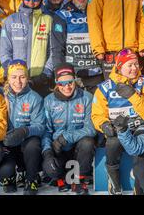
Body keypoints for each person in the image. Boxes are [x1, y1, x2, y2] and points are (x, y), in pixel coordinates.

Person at [91, 48, 144, 195]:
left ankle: (140, 186)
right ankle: (114, 181)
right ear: (119, 67)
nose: (134, 68)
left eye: (136, 64)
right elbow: (97, 114)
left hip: (140, 127)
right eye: (129, 65)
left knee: (142, 146)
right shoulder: (105, 88)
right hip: (118, 130)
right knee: (112, 143)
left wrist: (133, 96)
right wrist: (104, 125)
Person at [41, 63, 96, 195]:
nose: (67, 87)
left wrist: (66, 137)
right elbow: (46, 131)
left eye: (70, 82)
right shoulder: (48, 100)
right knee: (51, 167)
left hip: (77, 147)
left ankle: (78, 180)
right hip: (58, 148)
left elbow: (92, 128)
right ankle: (60, 177)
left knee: (88, 142)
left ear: (75, 81)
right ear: (56, 83)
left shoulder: (86, 97)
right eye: (62, 84)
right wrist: (47, 153)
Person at [0, 0, 54, 97]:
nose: (31, 3)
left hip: (40, 80)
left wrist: (46, 73)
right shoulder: (11, 20)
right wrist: (11, 72)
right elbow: (5, 50)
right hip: (16, 81)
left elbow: (53, 50)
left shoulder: (49, 19)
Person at [0, 60, 45, 195]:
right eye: (13, 77)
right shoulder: (3, 96)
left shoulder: (35, 98)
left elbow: (41, 126)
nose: (18, 82)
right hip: (7, 141)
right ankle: (10, 177)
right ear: (8, 78)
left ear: (27, 78)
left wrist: (25, 131)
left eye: (22, 77)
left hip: (26, 140)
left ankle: (31, 179)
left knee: (33, 144)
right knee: (5, 170)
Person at [51, 0, 103, 93]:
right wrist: (60, 74)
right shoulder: (62, 15)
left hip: (96, 74)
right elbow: (57, 49)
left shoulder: (98, 11)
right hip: (74, 75)